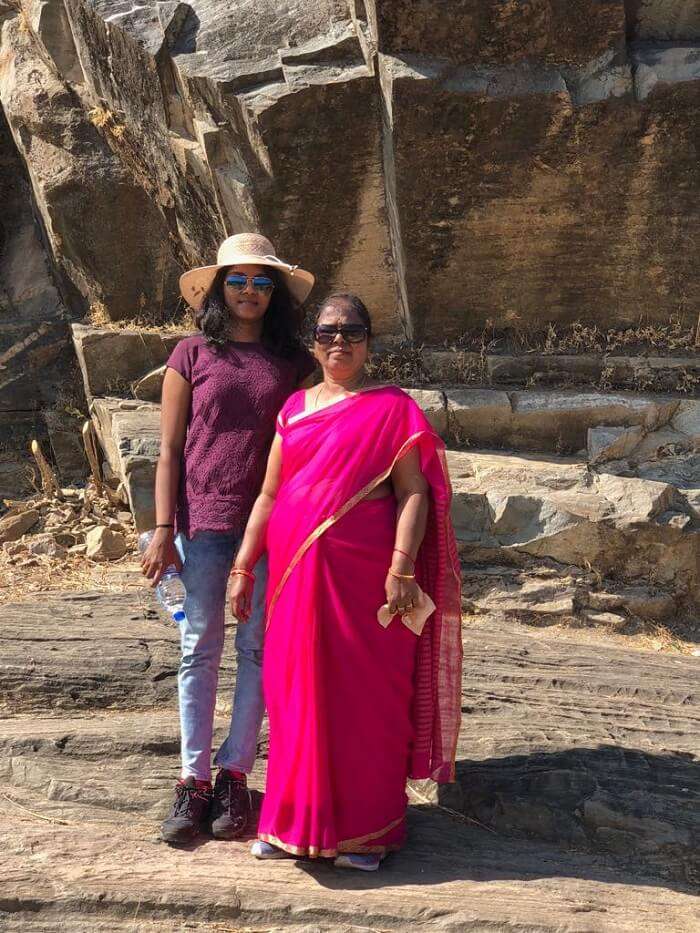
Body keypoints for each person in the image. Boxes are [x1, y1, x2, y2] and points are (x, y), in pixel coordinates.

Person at [229, 293, 462, 871]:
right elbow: (267, 495)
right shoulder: (294, 409)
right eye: (328, 331)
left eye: (352, 331)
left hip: (366, 580)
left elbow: (414, 494)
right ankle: (290, 824)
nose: (339, 341)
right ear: (313, 339)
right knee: (294, 694)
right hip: (292, 574)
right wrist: (242, 565)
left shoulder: (392, 409)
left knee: (366, 698)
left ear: (368, 341)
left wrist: (401, 568)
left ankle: (367, 830)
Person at [141, 233, 316, 845]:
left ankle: (234, 774)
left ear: (275, 294)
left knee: (257, 652)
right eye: (238, 281)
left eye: (261, 283)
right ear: (219, 288)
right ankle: (191, 781)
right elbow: (166, 450)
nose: (249, 292)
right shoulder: (190, 353)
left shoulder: (295, 363)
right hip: (204, 524)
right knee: (199, 647)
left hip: (272, 526)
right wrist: (163, 529)